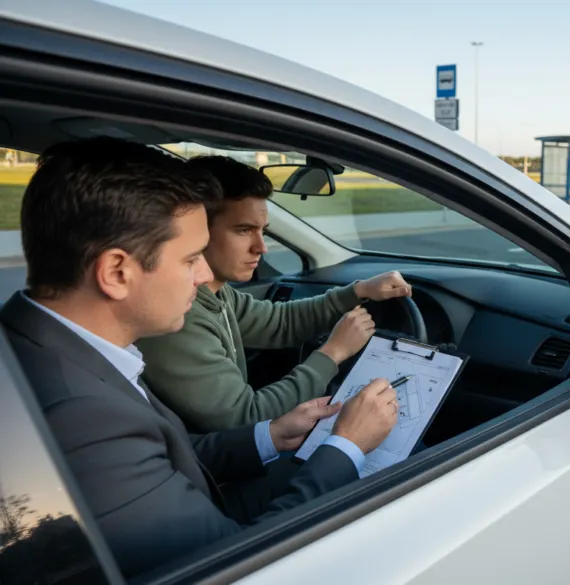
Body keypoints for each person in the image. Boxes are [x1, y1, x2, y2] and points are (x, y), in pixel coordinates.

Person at [0, 137, 400, 578]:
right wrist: (347, 445)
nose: (206, 274)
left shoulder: (54, 349)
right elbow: (237, 563)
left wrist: (269, 435)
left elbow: (168, 451)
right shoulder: (84, 421)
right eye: (191, 259)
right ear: (117, 273)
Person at [135, 155, 413, 432]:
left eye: (263, 232)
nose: (261, 247)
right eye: (243, 230)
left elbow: (279, 322)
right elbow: (245, 417)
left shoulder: (217, 293)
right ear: (196, 230)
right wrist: (334, 352)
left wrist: (359, 291)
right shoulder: (176, 315)